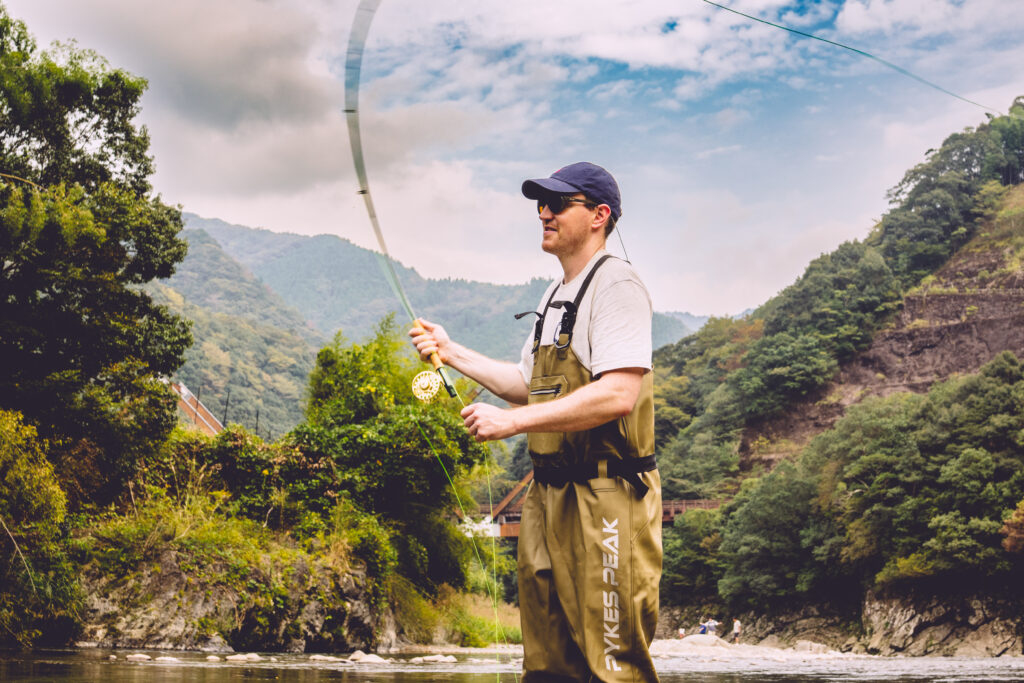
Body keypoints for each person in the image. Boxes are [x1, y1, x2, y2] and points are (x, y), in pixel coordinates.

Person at [410, 162, 661, 682]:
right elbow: (525, 382)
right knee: (546, 665)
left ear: (599, 215)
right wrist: (451, 351)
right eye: (539, 204)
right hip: (547, 499)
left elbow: (618, 393)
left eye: (558, 203)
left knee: (612, 664)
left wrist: (513, 423)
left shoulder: (618, 285)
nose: (543, 212)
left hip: (608, 495)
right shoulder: (554, 295)